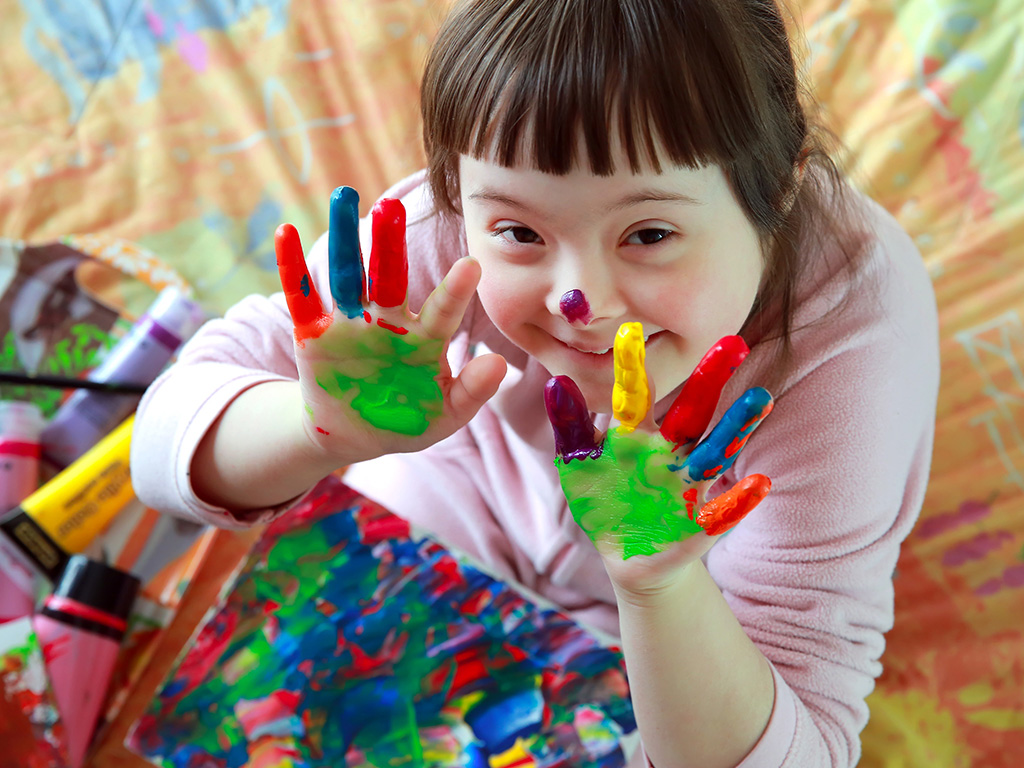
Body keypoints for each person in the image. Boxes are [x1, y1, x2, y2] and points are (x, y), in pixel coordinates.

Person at [130, 0, 940, 766]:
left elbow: (799, 747)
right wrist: (317, 430)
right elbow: (160, 445)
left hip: (686, 625)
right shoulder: (441, 239)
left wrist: (659, 583)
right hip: (451, 503)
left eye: (649, 232)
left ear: (782, 183)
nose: (578, 302)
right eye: (520, 230)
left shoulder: (853, 345)